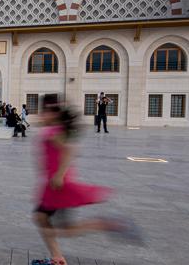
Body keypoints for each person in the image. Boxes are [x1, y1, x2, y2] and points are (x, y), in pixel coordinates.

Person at [32, 103, 137, 265]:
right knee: (43, 219)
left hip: (58, 188)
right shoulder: (53, 130)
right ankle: (57, 258)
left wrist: (59, 175)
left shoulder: (53, 132)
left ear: (53, 115)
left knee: (57, 226)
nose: (41, 115)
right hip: (53, 187)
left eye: (45, 112)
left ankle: (108, 224)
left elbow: (70, 150)